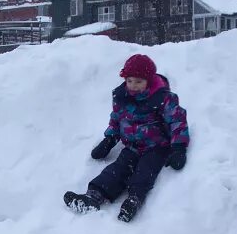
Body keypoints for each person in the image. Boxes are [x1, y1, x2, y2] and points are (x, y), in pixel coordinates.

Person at [63, 53, 191, 223]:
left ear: (149, 80)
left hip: (156, 147)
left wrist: (178, 148)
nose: (133, 86)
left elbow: (177, 120)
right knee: (117, 169)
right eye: (130, 81)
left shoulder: (162, 98)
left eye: (138, 81)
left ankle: (134, 200)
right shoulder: (122, 97)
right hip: (132, 146)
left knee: (145, 171)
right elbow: (116, 120)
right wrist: (109, 140)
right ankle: (93, 197)